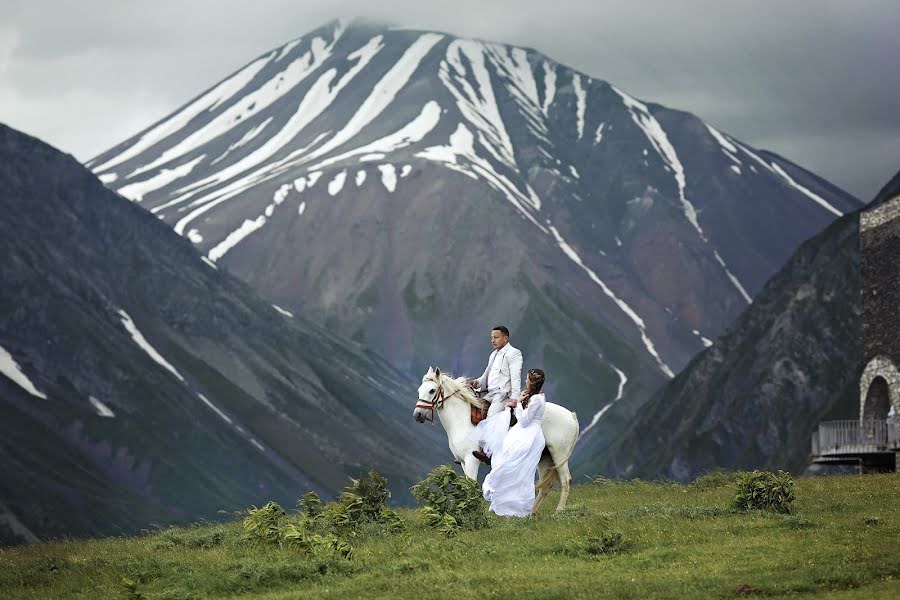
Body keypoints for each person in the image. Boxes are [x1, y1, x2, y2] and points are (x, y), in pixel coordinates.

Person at [482, 368, 547, 517]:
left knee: (517, 469)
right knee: (510, 466)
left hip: (529, 436)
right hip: (523, 433)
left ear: (532, 382)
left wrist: (518, 404)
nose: (525, 381)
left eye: (527, 379)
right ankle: (502, 501)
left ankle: (518, 507)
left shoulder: (537, 400)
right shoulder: (534, 397)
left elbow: (524, 421)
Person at [467, 326, 523, 463]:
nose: (493, 340)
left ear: (505, 338)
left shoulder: (514, 353)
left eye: (496, 337)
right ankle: (472, 450)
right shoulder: (494, 354)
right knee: (476, 412)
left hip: (503, 394)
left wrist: (514, 398)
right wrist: (477, 382)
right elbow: (487, 375)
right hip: (489, 393)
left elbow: (516, 377)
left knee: (491, 417)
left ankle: (488, 453)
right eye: (492, 337)